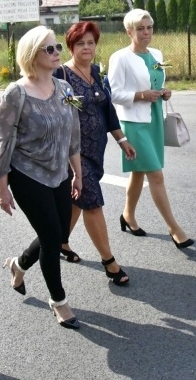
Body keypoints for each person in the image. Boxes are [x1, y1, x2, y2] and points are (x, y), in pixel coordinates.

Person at [0, 26, 83, 329]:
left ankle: (18, 265)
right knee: (50, 236)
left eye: (57, 47)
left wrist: (77, 173)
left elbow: (73, 134)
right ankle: (59, 301)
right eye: (50, 49)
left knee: (59, 235)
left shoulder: (65, 89)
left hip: (59, 172)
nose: (57, 53)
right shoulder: (15, 93)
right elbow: (2, 141)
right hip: (26, 174)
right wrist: (2, 187)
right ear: (32, 54)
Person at [54, 21, 136, 286]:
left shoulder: (98, 72)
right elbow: (56, 115)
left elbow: (107, 110)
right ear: (71, 46)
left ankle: (60, 242)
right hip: (73, 154)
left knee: (78, 200)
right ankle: (109, 263)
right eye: (80, 43)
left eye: (90, 42)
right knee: (93, 202)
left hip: (96, 150)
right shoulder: (61, 75)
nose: (86, 47)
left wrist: (122, 139)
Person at [107, 9, 193, 249]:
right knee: (156, 174)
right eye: (140, 29)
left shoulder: (156, 53)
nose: (146, 33)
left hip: (154, 118)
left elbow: (157, 80)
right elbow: (113, 94)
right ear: (129, 32)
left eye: (149, 28)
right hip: (134, 122)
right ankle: (174, 228)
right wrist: (141, 95)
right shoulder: (120, 58)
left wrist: (164, 92)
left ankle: (127, 216)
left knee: (139, 172)